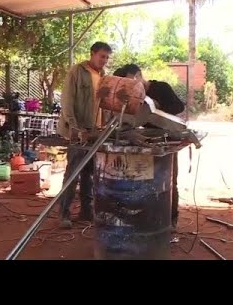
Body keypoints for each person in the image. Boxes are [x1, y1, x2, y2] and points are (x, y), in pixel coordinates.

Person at [113, 63, 185, 229]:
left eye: (131, 82)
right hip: (146, 140)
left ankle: (171, 220)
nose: (130, 87)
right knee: (148, 182)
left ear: (139, 76)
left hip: (167, 140)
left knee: (169, 181)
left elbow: (179, 107)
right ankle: (147, 219)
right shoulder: (133, 95)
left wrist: (158, 105)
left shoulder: (161, 87)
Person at [57, 41, 113, 228]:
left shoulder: (104, 76)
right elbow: (67, 101)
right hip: (78, 131)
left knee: (89, 173)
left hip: (95, 132)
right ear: (92, 54)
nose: (104, 60)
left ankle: (86, 212)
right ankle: (64, 214)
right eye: (101, 56)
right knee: (73, 173)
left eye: (106, 57)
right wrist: (74, 127)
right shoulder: (77, 71)